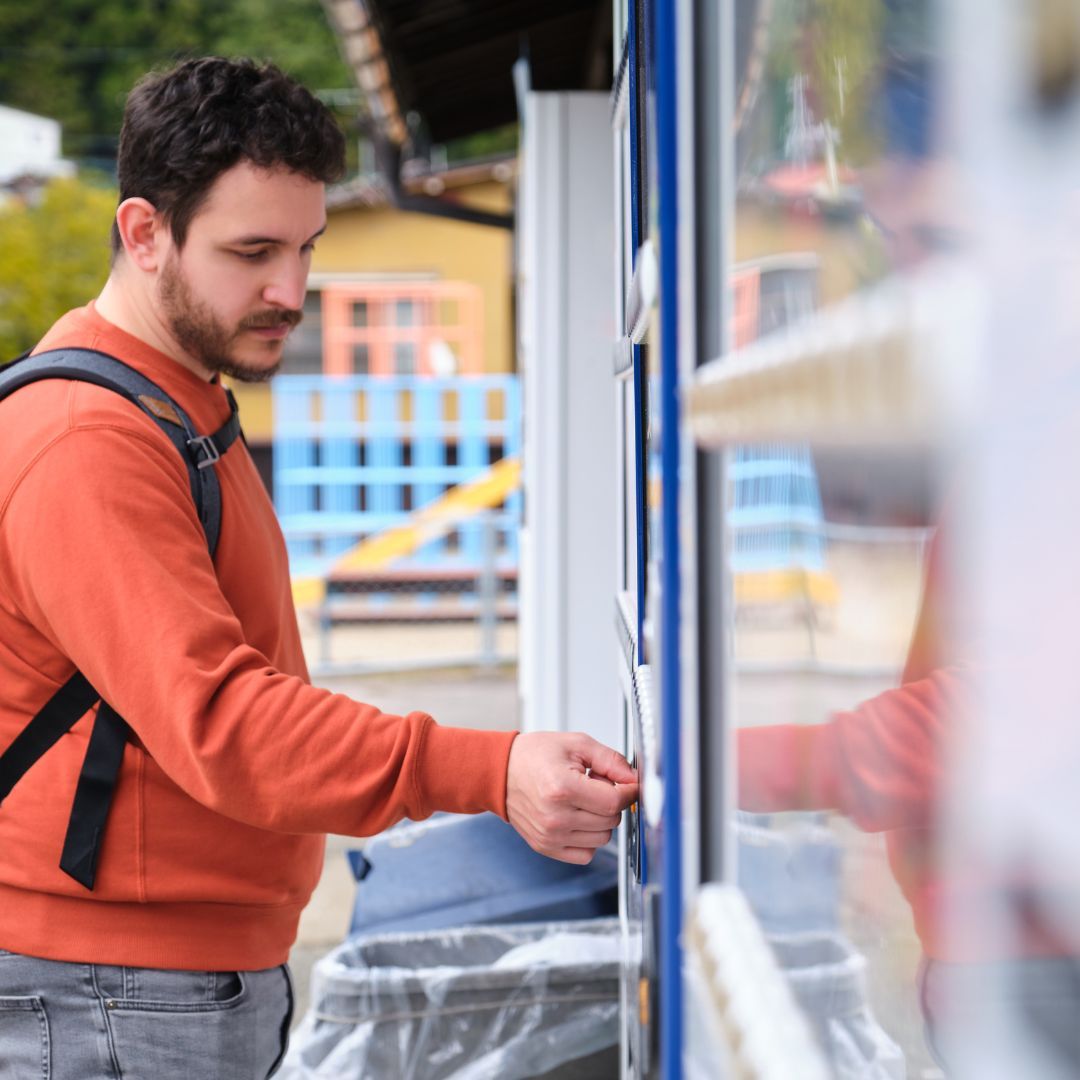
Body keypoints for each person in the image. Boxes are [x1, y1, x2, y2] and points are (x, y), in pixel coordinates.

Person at [0, 57, 638, 1080]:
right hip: (108, 993)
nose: (291, 291)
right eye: (252, 251)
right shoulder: (89, 440)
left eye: (306, 247)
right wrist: (485, 770)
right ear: (143, 233)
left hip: (158, 977)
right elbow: (226, 723)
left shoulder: (178, 401)